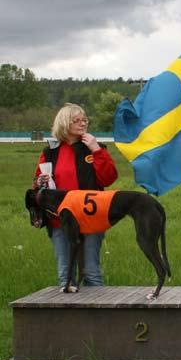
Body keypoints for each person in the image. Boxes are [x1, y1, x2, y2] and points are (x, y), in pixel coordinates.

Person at [33, 103, 118, 287]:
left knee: (91, 273)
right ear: (64, 123)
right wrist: (39, 182)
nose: (82, 124)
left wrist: (96, 149)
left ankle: (97, 315)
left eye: (84, 120)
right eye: (76, 120)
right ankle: (68, 316)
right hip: (59, 219)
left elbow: (108, 178)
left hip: (90, 217)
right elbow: (38, 183)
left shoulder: (94, 148)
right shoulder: (50, 152)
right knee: (65, 276)